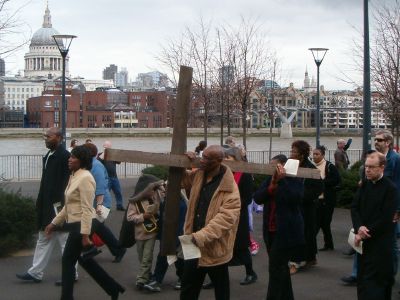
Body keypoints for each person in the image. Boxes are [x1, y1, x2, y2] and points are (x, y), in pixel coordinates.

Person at [45, 145, 125, 300]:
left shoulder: (86, 178)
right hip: (78, 223)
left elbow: (88, 209)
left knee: (68, 260)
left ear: (81, 160)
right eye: (70, 156)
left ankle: (67, 297)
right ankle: (113, 288)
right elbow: (68, 206)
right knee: (83, 260)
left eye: (73, 157)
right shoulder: (74, 175)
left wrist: (85, 235)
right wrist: (53, 223)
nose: (69, 159)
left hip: (83, 224)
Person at [180, 145, 241, 300]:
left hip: (215, 246)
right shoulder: (199, 174)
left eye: (207, 158)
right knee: (188, 288)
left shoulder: (230, 189)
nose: (202, 160)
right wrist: (184, 164)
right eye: (202, 156)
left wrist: (200, 236)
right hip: (193, 242)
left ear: (218, 161)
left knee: (221, 291)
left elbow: (225, 219)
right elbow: (185, 183)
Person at [16, 127, 71, 283]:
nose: (45, 139)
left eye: (48, 136)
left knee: (63, 239)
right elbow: (46, 183)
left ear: (59, 138)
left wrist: (62, 206)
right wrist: (40, 202)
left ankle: (71, 274)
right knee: (43, 238)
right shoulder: (49, 155)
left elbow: (67, 184)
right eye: (44, 136)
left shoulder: (64, 157)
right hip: (47, 205)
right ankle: (35, 272)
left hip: (58, 206)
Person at [253, 154, 305, 300]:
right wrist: (272, 186)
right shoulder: (270, 179)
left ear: (283, 166)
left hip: (286, 232)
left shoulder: (293, 180)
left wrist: (282, 182)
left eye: (274, 166)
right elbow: (257, 197)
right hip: (270, 230)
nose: (271, 169)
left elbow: (295, 198)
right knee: (281, 268)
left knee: (276, 269)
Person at [351, 151, 397, 300]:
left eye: (371, 167)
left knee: (377, 285)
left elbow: (387, 218)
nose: (367, 170)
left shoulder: (390, 188)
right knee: (363, 282)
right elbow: (354, 208)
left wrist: (365, 231)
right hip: (364, 242)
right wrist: (359, 227)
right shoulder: (365, 184)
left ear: (382, 167)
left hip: (381, 245)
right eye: (366, 167)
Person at [83, 142, 126, 263]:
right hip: (97, 203)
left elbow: (101, 186)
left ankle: (86, 249)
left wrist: (99, 205)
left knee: (91, 227)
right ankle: (117, 249)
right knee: (98, 229)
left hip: (102, 203)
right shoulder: (90, 164)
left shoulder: (95, 165)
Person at [289, 140, 323, 275]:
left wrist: (302, 196)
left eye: (294, 151)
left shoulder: (311, 169)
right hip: (293, 206)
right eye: (291, 150)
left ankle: (296, 262)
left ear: (302, 154)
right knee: (300, 234)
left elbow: (319, 187)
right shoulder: (290, 165)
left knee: (305, 234)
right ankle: (308, 258)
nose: (291, 153)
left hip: (306, 208)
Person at [144, 186, 187, 292]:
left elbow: (180, 225)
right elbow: (162, 221)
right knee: (164, 258)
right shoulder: (166, 203)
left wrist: (176, 241)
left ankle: (181, 279)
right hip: (167, 237)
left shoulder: (181, 205)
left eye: (167, 189)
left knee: (179, 260)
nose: (164, 191)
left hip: (176, 238)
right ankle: (157, 280)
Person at [224, 147, 257, 285]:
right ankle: (217, 277)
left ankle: (250, 273)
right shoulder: (224, 173)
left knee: (241, 246)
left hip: (238, 215)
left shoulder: (244, 174)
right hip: (223, 214)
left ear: (236, 159)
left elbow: (248, 198)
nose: (225, 160)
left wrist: (232, 207)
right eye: (224, 158)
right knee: (221, 247)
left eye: (228, 158)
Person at [127, 174, 164, 290]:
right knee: (142, 257)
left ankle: (141, 280)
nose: (153, 192)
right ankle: (147, 275)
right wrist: (143, 216)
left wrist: (157, 186)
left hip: (151, 233)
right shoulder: (135, 202)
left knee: (147, 257)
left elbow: (164, 190)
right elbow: (130, 217)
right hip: (139, 233)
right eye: (150, 190)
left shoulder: (157, 195)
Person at [313, 145, 341, 251]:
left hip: (327, 200)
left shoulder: (329, 166)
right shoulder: (311, 166)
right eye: (314, 154)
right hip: (316, 199)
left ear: (323, 155)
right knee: (322, 223)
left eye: (317, 154)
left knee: (322, 222)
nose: (315, 156)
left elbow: (337, 180)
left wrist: (322, 182)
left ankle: (309, 244)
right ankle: (329, 244)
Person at [98, 141, 125, 211]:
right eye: (106, 146)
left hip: (114, 177)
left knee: (118, 192)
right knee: (106, 194)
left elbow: (119, 162)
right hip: (106, 178)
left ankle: (119, 205)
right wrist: (105, 152)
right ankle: (105, 208)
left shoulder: (113, 155)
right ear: (103, 146)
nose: (107, 148)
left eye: (109, 147)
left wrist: (119, 154)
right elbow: (99, 161)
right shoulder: (100, 154)